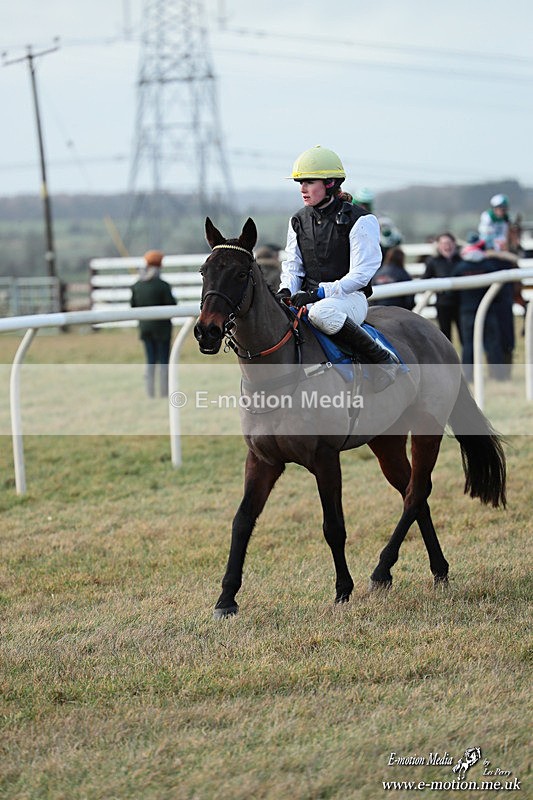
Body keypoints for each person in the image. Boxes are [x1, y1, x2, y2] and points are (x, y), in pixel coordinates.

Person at [276, 145, 400, 392]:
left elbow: (362, 274)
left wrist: (320, 293)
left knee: (321, 313)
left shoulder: (361, 220)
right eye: (300, 183)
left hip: (349, 299)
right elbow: (292, 265)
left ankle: (384, 360)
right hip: (308, 300)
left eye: (309, 182)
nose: (302, 189)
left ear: (330, 182)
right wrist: (285, 291)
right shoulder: (298, 220)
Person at [452, 240, 505, 383]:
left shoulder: (460, 268)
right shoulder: (489, 266)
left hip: (466, 311)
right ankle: (499, 376)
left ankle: (468, 376)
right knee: (493, 343)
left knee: (468, 344)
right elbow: (499, 291)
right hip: (489, 310)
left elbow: (453, 293)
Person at [130, 249, 176, 398]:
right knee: (163, 361)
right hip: (162, 330)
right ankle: (164, 392)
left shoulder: (137, 285)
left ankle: (150, 393)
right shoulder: (162, 285)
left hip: (145, 329)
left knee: (150, 361)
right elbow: (171, 305)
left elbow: (133, 305)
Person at [422, 232, 462, 343]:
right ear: (438, 246)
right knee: (445, 337)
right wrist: (434, 285)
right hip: (443, 304)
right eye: (444, 243)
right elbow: (424, 281)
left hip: (461, 304)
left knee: (464, 336)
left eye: (449, 243)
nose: (447, 246)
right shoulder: (433, 262)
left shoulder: (461, 260)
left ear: (454, 244)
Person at [371, 246, 414, 311]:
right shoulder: (403, 274)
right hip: (398, 310)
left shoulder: (377, 273)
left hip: (378, 310)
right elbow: (410, 297)